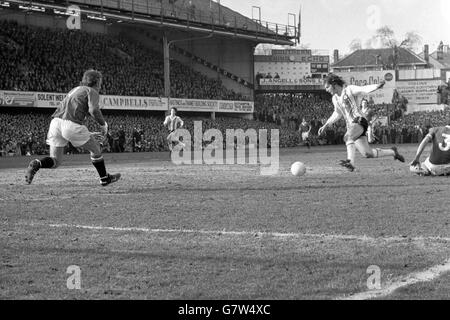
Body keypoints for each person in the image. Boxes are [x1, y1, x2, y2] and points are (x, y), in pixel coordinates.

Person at [25, 69, 121, 186]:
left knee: (55, 161)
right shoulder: (92, 91)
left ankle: (37, 163)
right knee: (96, 148)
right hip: (71, 125)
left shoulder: (75, 89)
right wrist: (103, 125)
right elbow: (93, 110)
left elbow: (68, 120)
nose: (101, 85)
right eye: (100, 82)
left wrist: (87, 134)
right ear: (96, 82)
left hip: (55, 123)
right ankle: (104, 178)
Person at [318, 73, 405, 172]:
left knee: (347, 137)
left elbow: (363, 89)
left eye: (327, 87)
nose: (326, 90)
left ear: (334, 84)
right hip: (352, 126)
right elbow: (337, 113)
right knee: (367, 153)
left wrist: (376, 86)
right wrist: (326, 125)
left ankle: (350, 162)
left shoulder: (349, 90)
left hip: (359, 120)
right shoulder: (335, 99)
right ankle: (393, 152)